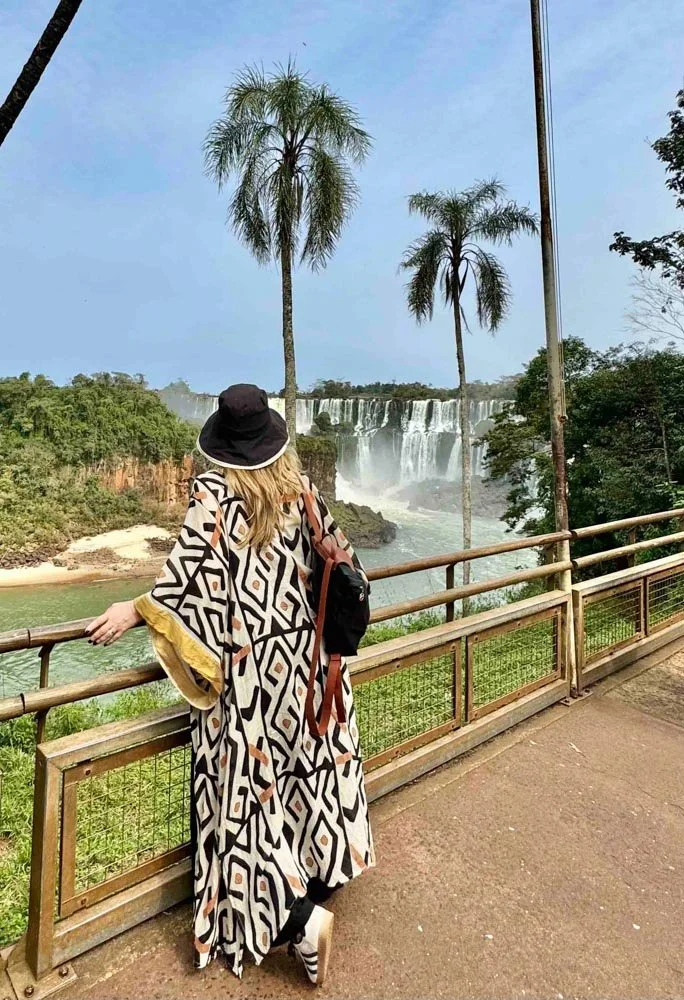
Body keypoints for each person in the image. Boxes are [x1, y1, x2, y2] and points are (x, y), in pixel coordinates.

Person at [86, 383, 374, 986]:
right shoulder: (300, 488)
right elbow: (341, 558)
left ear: (221, 444)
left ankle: (297, 920)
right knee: (304, 769)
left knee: (246, 792)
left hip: (248, 672)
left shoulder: (214, 495)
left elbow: (183, 573)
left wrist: (132, 609)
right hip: (306, 659)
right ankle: (318, 874)